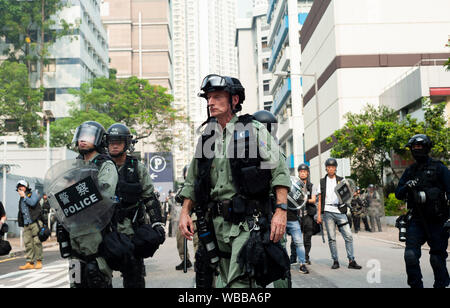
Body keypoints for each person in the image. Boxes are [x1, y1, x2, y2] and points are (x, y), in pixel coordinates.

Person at [179, 74, 291, 288]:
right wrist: (185, 212)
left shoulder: (252, 130)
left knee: (239, 285)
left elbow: (279, 171)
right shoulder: (207, 138)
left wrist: (281, 211)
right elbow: (193, 180)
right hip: (216, 227)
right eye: (208, 97)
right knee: (221, 283)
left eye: (217, 97)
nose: (210, 102)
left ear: (234, 100)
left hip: (246, 225)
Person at [106, 123, 165, 288]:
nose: (114, 145)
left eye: (118, 141)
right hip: (106, 232)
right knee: (98, 277)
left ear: (127, 143)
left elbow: (149, 198)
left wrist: (157, 223)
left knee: (134, 280)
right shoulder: (100, 168)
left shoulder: (137, 167)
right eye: (111, 141)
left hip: (131, 232)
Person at [60, 121, 119, 288]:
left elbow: (105, 194)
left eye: (88, 137)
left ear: (98, 140)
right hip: (74, 234)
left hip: (96, 236)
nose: (82, 140)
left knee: (97, 279)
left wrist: (74, 191)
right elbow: (61, 196)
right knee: (76, 282)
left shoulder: (105, 165)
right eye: (80, 136)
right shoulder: (74, 167)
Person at [395, 134, 450, 288]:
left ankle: (441, 285)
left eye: (419, 146)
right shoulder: (410, 171)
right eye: (414, 147)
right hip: (416, 221)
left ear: (426, 148)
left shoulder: (439, 168)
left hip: (437, 221)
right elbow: (398, 194)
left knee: (437, 259)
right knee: (410, 256)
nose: (416, 150)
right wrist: (407, 186)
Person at [317, 158, 362, 270]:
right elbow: (320, 199)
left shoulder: (341, 180)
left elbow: (348, 195)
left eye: (333, 167)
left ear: (335, 168)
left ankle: (351, 260)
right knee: (332, 238)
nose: (331, 168)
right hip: (328, 212)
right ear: (326, 168)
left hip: (340, 211)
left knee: (348, 236)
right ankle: (335, 260)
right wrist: (319, 215)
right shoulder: (322, 181)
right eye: (329, 167)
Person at [16, 180, 43, 270]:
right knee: (28, 243)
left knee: (37, 242)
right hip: (26, 224)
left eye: (22, 187)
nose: (20, 189)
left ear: (26, 187)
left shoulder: (33, 194)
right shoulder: (21, 199)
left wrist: (24, 197)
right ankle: (30, 262)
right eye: (19, 188)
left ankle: (39, 261)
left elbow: (32, 203)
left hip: (35, 222)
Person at [297, 163, 317, 265]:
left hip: (308, 214)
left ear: (307, 173)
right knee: (296, 238)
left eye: (304, 172)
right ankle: (293, 258)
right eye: (301, 171)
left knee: (307, 237)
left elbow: (313, 200)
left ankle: (306, 257)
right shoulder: (295, 185)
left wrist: (303, 199)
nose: (303, 173)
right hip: (297, 215)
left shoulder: (311, 186)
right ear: (298, 173)